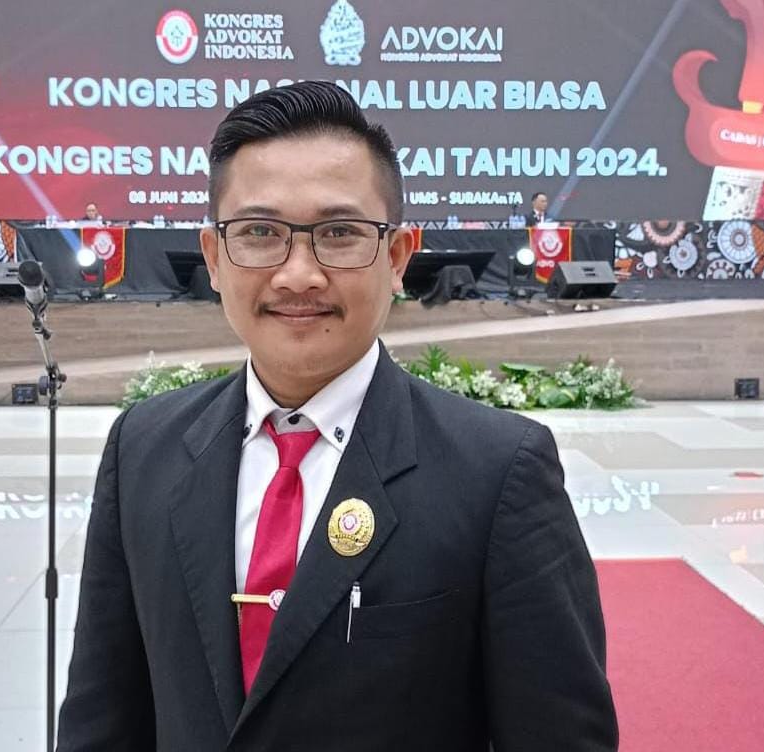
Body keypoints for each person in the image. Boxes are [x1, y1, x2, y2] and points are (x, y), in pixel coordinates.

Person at [57, 81, 617, 751]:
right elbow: (102, 718)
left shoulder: (498, 473)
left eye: (340, 234)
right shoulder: (143, 449)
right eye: (259, 233)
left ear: (398, 256)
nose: (298, 275)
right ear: (213, 257)